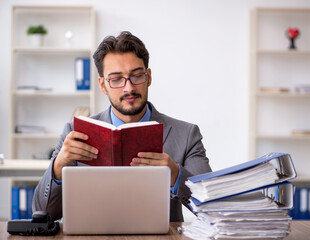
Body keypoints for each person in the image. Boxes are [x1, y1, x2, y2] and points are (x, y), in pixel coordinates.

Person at [32, 31, 212, 222]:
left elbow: (213, 208)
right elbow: (43, 212)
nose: (129, 88)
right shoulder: (75, 133)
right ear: (103, 85)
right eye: (116, 79)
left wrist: (175, 175)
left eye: (137, 76)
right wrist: (59, 166)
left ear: (149, 77)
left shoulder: (186, 134)